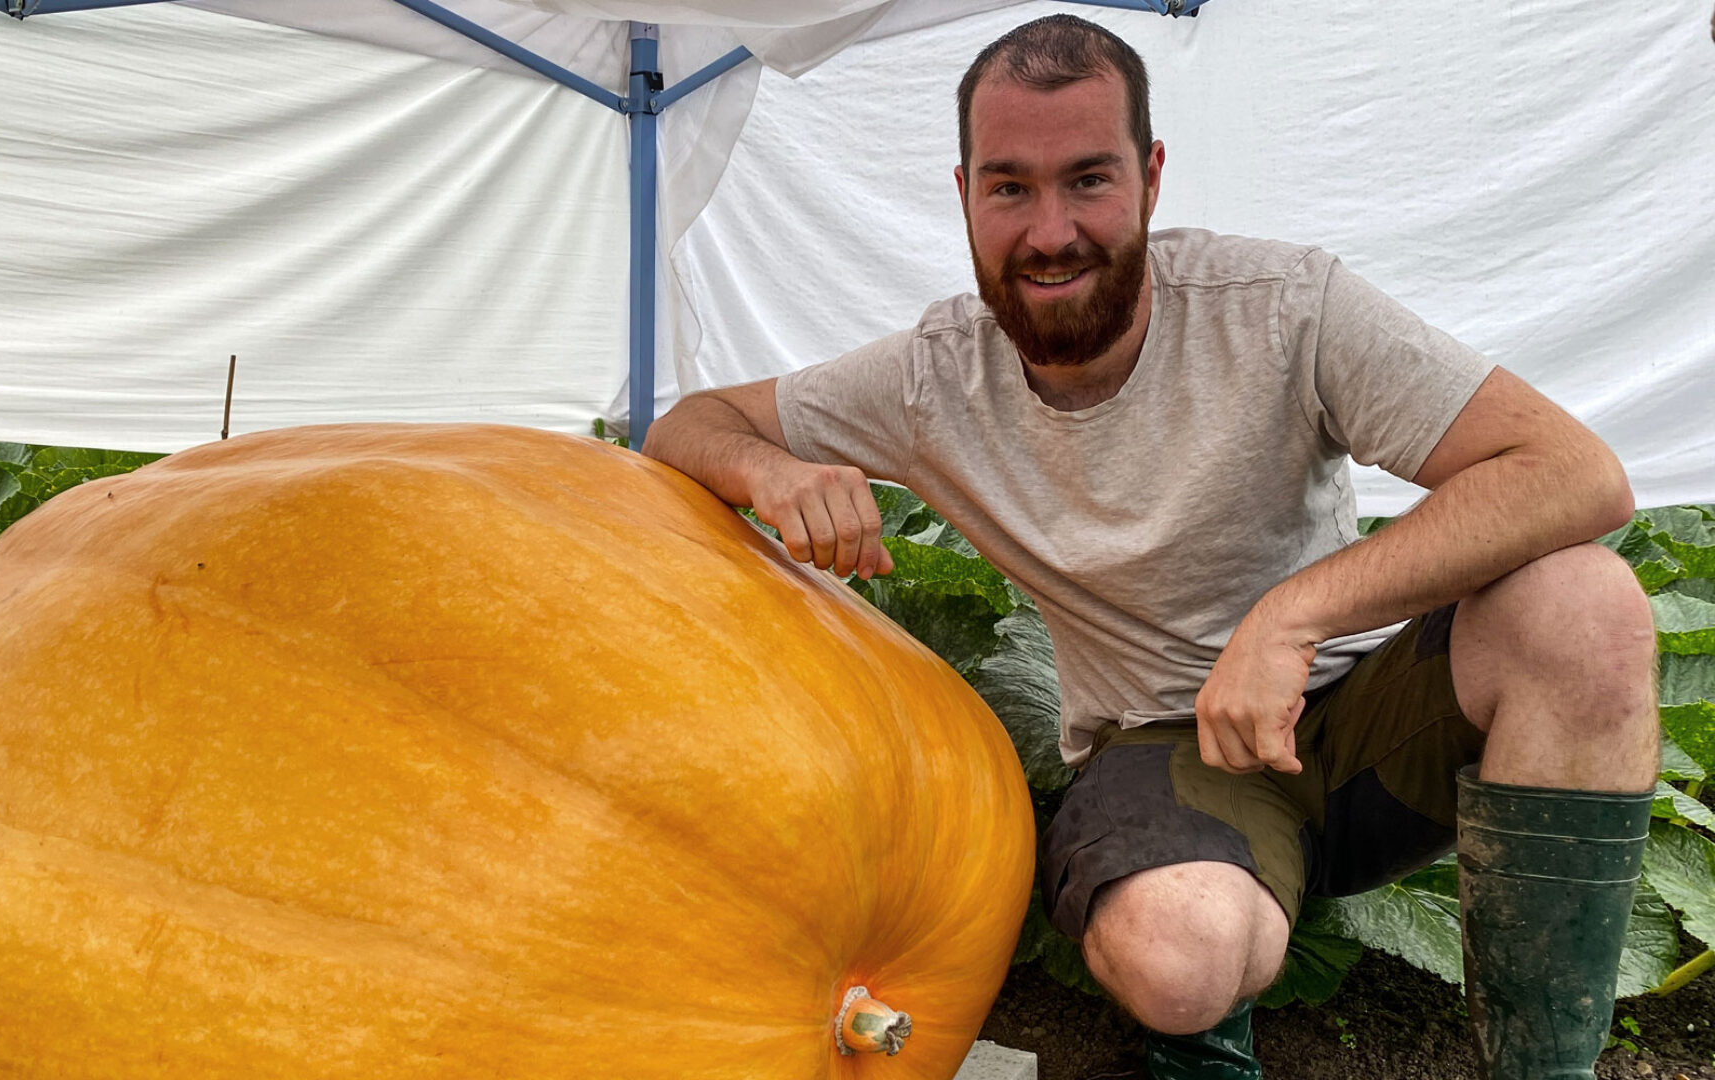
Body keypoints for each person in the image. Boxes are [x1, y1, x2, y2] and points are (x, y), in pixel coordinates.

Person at [643, 14, 1659, 1080]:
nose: (1049, 231)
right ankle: (1210, 994)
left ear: (1151, 177)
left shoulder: (1282, 308)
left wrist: (1293, 615)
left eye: (1088, 179)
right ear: (963, 194)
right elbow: (688, 424)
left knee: (1585, 605)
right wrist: (775, 471)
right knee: (1178, 958)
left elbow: (1576, 474)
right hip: (1166, 752)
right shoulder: (929, 381)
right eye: (1010, 188)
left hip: (1363, 729)